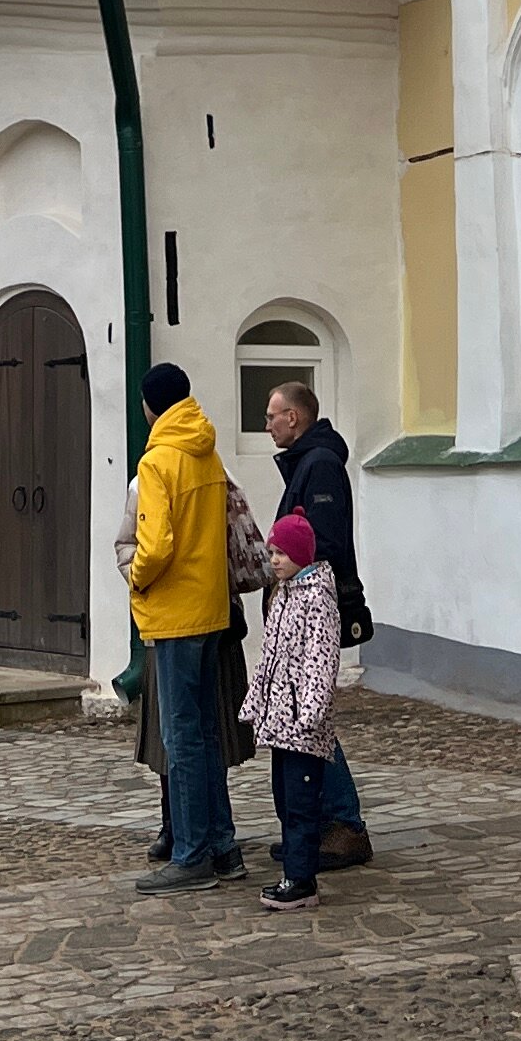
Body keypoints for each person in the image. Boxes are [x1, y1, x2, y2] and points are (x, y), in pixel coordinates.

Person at [125, 361, 245, 887]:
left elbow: (155, 546)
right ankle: (223, 847)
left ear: (151, 406)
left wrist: (137, 578)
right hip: (211, 607)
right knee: (205, 732)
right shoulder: (207, 452)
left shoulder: (158, 462)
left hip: (174, 612)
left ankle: (192, 854)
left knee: (181, 737)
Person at [117, 464, 262, 866]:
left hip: (178, 623)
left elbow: (147, 549)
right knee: (203, 733)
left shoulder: (155, 472)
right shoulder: (217, 468)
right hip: (215, 617)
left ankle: (193, 844)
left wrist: (143, 586)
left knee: (182, 735)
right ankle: (215, 841)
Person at [263, 378, 372, 869]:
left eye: (272, 415)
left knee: (311, 718)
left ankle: (344, 824)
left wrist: (296, 595)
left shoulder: (320, 465)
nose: (266, 425)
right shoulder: (308, 461)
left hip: (313, 612)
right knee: (304, 718)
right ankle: (320, 826)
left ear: (295, 417)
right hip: (300, 608)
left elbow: (321, 545)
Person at [242, 511, 343, 911]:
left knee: (301, 803)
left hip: (302, 724)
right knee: (284, 798)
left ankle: (301, 880)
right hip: (279, 722)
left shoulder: (317, 598)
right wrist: (256, 702)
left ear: (301, 554)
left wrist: (311, 713)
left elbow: (321, 659)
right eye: (272, 552)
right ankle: (294, 870)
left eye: (282, 552)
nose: (275, 559)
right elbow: (269, 658)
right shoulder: (283, 594)